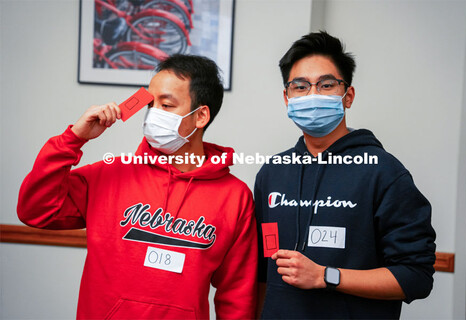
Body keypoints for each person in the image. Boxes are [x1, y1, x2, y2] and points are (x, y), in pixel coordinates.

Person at [17, 54, 257, 319]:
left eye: (166, 105)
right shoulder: (109, 175)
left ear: (200, 116)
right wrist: (73, 139)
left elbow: (236, 293)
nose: (154, 115)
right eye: (150, 104)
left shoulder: (235, 197)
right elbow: (36, 211)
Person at [254, 31, 436, 319]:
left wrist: (327, 276)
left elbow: (416, 276)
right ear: (287, 98)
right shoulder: (272, 173)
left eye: (326, 85)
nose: (312, 95)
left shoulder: (384, 173)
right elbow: (265, 267)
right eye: (300, 87)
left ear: (347, 96)